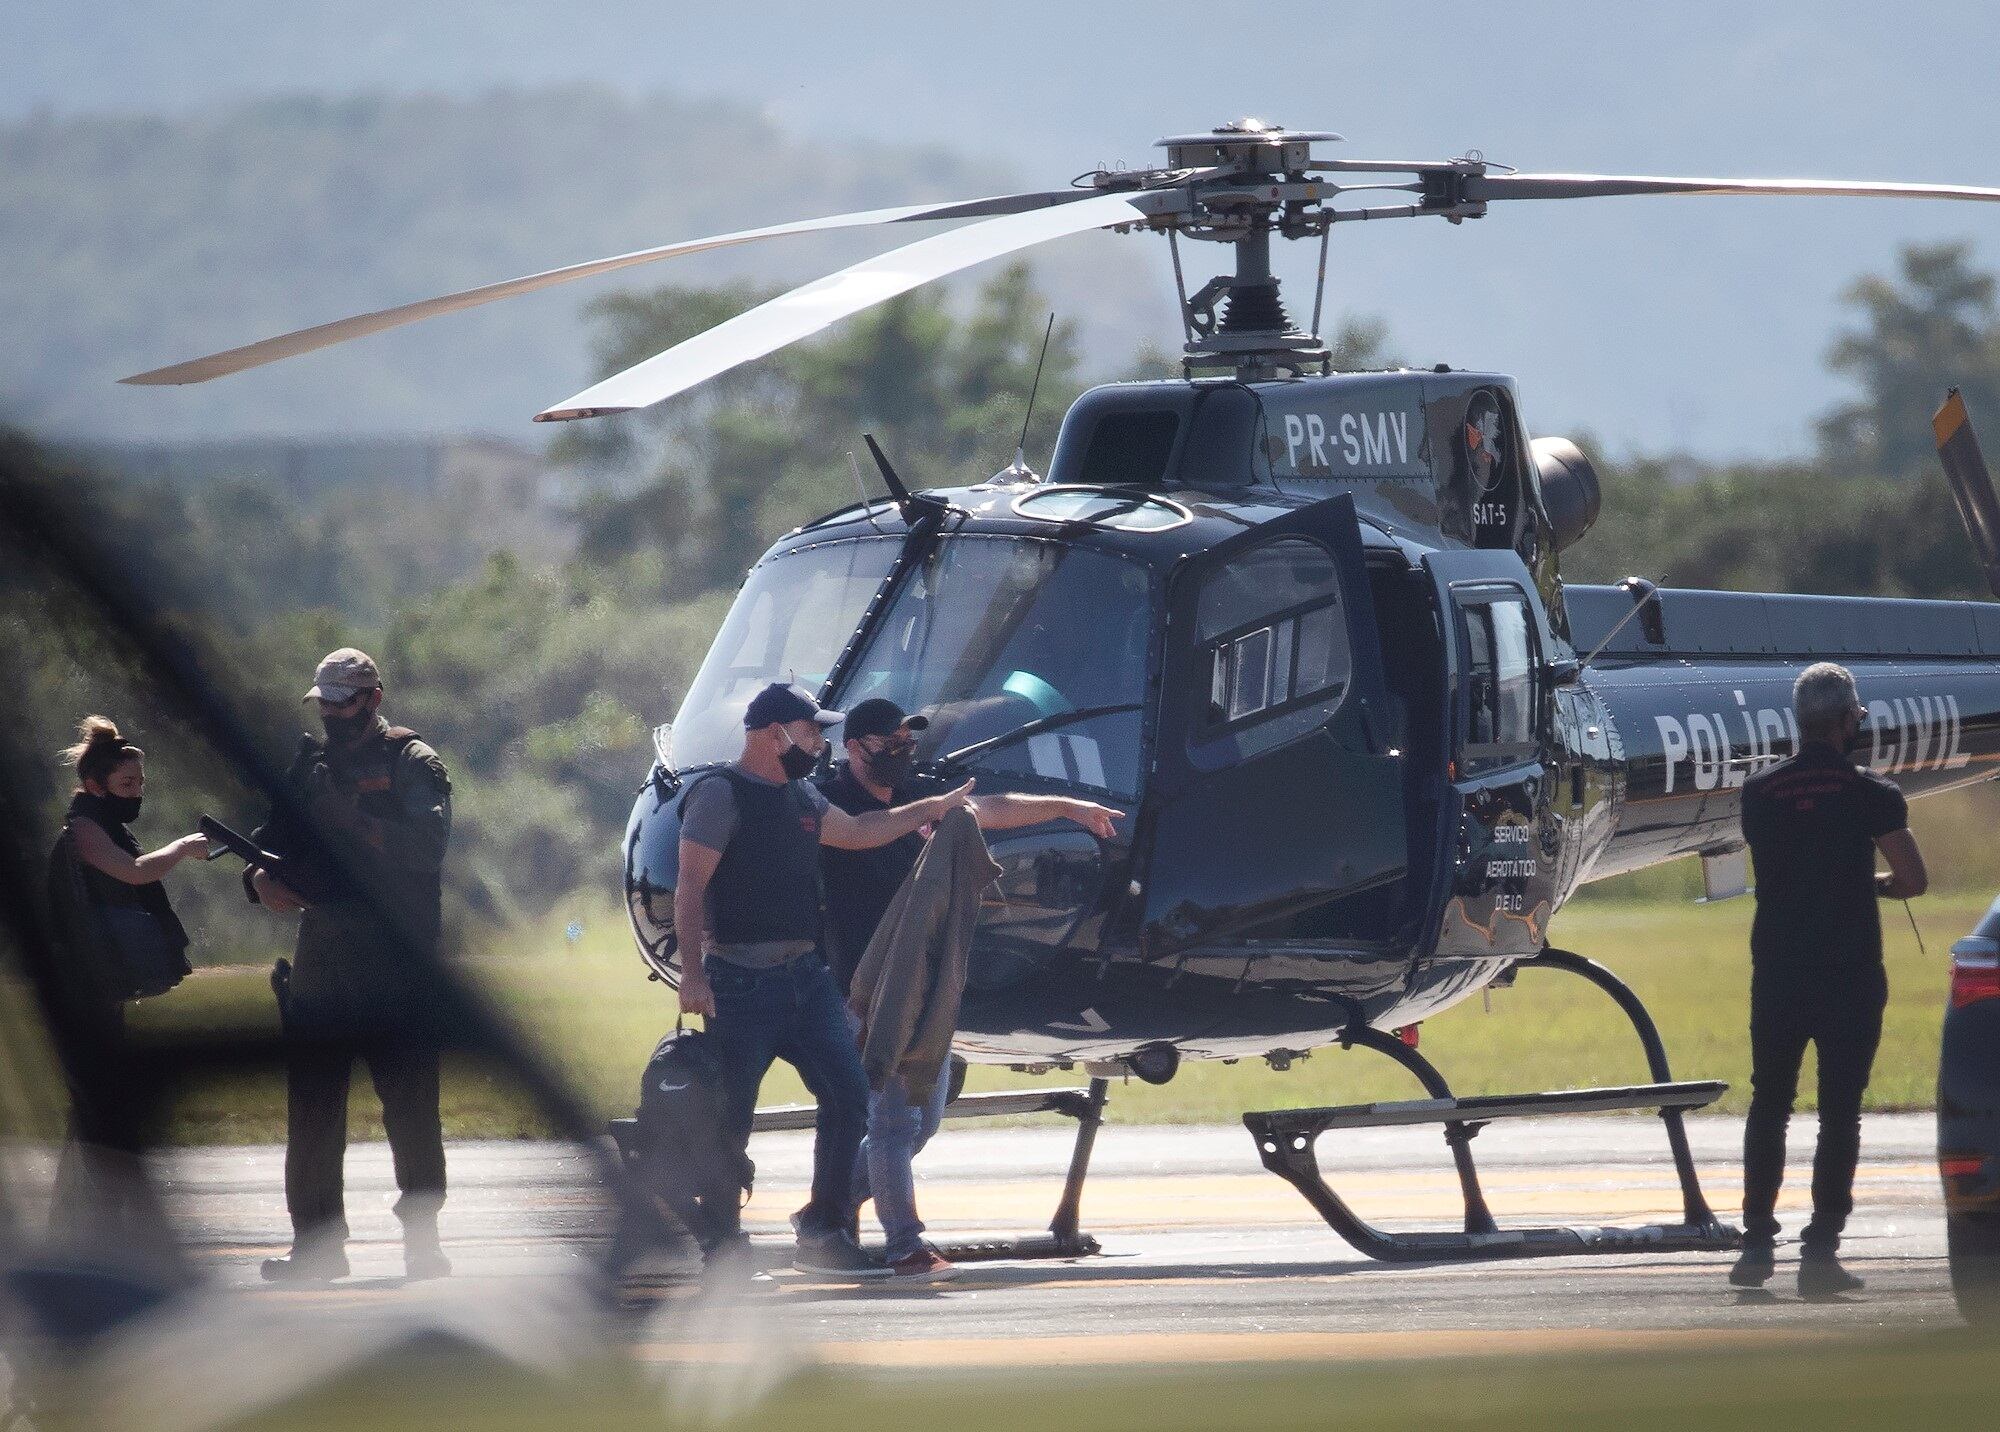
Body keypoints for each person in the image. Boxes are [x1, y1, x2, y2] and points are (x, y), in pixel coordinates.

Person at [673, 683, 972, 1279]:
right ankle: (723, 1238)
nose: (818, 744)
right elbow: (689, 889)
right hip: (740, 980)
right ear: (771, 734)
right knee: (733, 1115)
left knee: (850, 1097)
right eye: (810, 731)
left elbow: (862, 832)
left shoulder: (802, 797)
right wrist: (692, 975)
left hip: (807, 978)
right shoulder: (719, 794)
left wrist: (933, 809)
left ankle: (825, 1227)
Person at [818, 698, 1119, 1282]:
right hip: (863, 986)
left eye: (908, 739)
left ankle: (824, 1212)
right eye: (888, 742)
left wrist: (1070, 808)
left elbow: (987, 808)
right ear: (854, 747)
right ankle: (904, 1243)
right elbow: (861, 834)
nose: (902, 751)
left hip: (924, 986)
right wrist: (930, 811)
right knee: (892, 1123)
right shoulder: (834, 802)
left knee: (921, 1121)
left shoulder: (918, 791)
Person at [247, 649, 455, 1284]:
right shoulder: (309, 768)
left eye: (344, 701)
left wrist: (350, 818)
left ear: (374, 698)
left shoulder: (413, 765)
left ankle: (423, 1244)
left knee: (412, 1109)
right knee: (312, 1108)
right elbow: (268, 845)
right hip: (325, 962)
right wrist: (258, 880)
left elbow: (425, 848)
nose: (333, 713)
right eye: (326, 703)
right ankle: (316, 1247)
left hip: (398, 965)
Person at [1730, 662, 1927, 1297]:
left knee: (1770, 1102)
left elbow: (1789, 862)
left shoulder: (1760, 794)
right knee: (1838, 1112)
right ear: (1846, 722)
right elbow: (1912, 878)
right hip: (1849, 973)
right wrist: (1873, 883)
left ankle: (1757, 1239)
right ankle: (1821, 1245)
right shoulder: (1874, 795)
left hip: (1780, 970)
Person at [44, 717, 207, 1236]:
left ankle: (84, 1220)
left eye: (139, 784)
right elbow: (134, 872)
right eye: (125, 785)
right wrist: (182, 848)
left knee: (95, 1099)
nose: (135, 793)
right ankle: (86, 1220)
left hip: (96, 984)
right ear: (96, 785)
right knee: (93, 1099)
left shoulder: (101, 823)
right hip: (81, 987)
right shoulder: (87, 831)